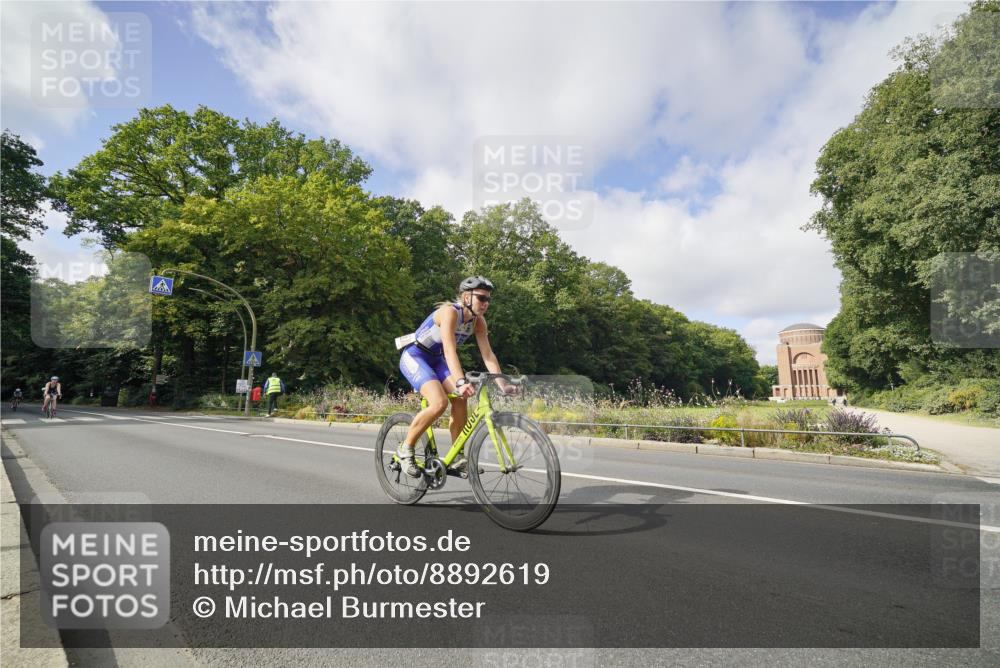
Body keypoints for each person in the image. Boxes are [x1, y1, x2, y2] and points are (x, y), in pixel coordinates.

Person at [396, 276, 515, 478]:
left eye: (488, 300)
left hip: (436, 359)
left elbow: (488, 355)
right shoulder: (450, 313)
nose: (485, 304)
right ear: (466, 297)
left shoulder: (479, 322)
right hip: (415, 356)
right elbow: (450, 351)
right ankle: (405, 449)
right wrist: (460, 381)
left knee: (461, 398)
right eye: (481, 298)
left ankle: (456, 456)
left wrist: (503, 384)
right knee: (439, 403)